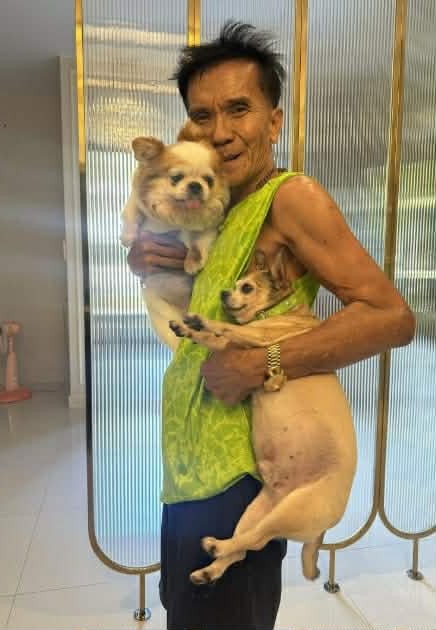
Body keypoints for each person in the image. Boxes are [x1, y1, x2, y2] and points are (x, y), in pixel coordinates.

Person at [127, 21, 415, 630]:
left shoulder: (292, 197)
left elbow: (390, 316)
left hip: (246, 478)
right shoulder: (218, 207)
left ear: (274, 121)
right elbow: (210, 301)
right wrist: (148, 259)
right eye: (202, 115)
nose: (221, 131)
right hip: (190, 470)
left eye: (239, 109)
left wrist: (264, 363)